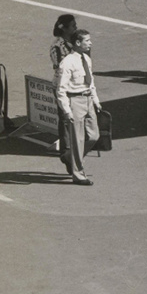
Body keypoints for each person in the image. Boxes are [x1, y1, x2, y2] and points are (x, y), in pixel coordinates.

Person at [55, 28, 102, 186]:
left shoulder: (86, 59)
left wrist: (95, 100)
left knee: (94, 136)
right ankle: (78, 174)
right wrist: (66, 110)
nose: (90, 43)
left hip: (88, 100)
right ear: (77, 43)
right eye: (87, 41)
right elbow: (61, 89)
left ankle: (69, 157)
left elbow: (91, 81)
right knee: (78, 140)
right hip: (75, 101)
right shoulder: (67, 62)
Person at [49, 14, 77, 169]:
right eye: (73, 26)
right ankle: (67, 154)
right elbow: (61, 67)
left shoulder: (75, 42)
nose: (76, 28)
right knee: (66, 120)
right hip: (63, 87)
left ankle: (74, 153)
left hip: (77, 85)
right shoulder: (57, 46)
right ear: (64, 29)